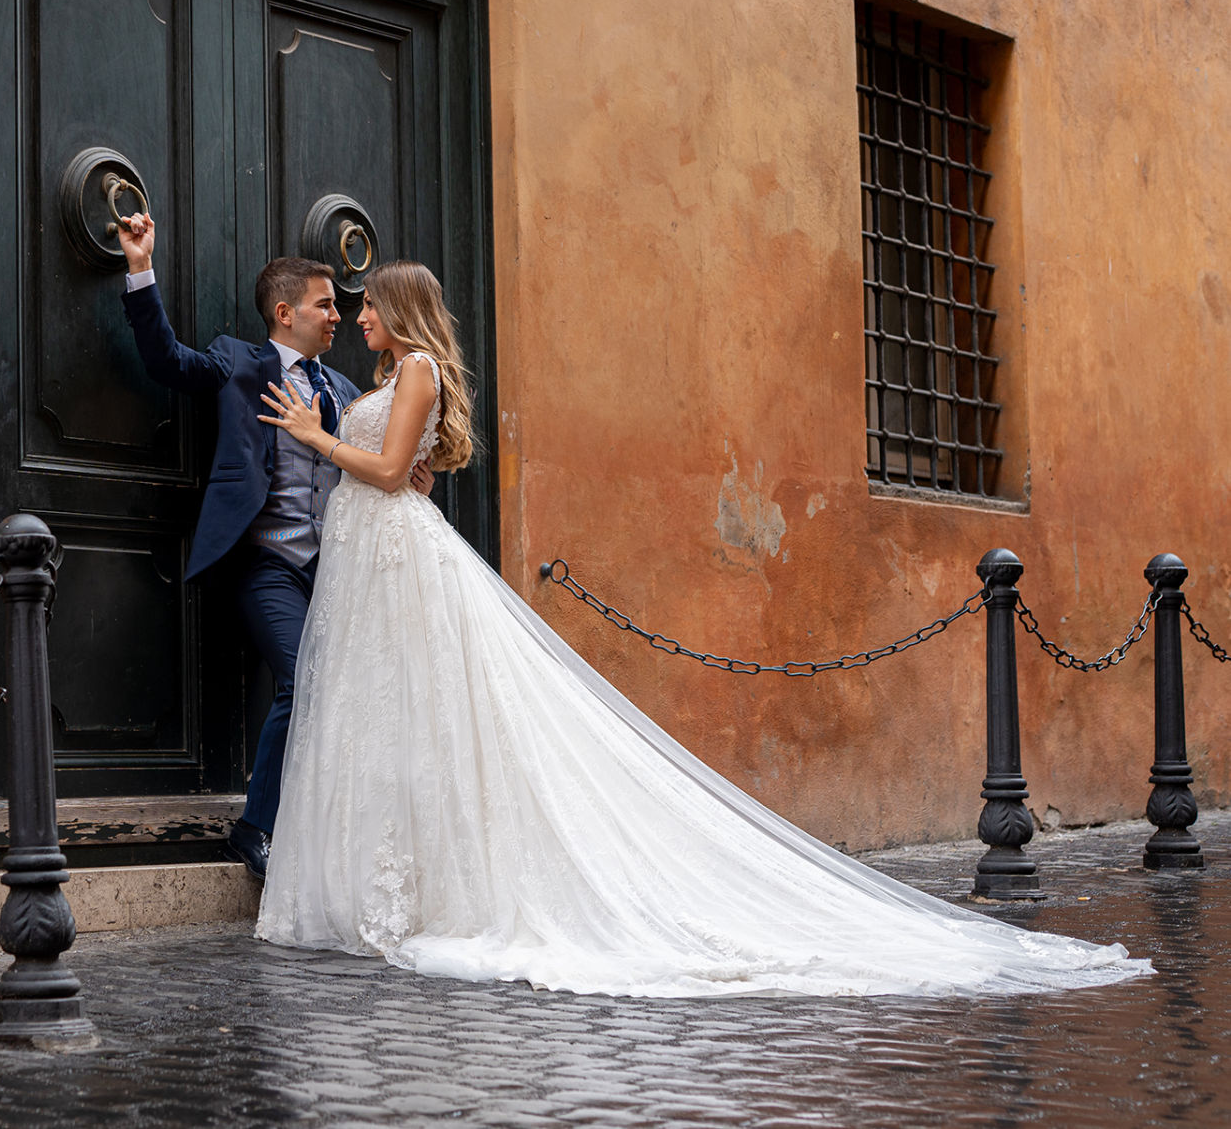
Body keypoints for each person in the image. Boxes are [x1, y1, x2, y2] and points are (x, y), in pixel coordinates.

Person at [253, 257, 1152, 996]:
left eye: (367, 304)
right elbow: (409, 472)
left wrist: (316, 436)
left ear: (401, 309)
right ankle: (378, 885)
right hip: (374, 564)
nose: (357, 313)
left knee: (428, 715)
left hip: (397, 557)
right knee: (384, 721)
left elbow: (390, 468)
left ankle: (425, 891)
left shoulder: (415, 370)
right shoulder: (383, 374)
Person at [113, 213, 433, 881]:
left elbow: (379, 464)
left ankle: (338, 836)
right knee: (306, 678)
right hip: (263, 564)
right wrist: (140, 266)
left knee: (356, 693)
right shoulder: (238, 362)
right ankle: (256, 829)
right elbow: (164, 358)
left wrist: (416, 475)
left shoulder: (346, 392)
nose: (340, 315)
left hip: (337, 569)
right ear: (286, 313)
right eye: (326, 304)